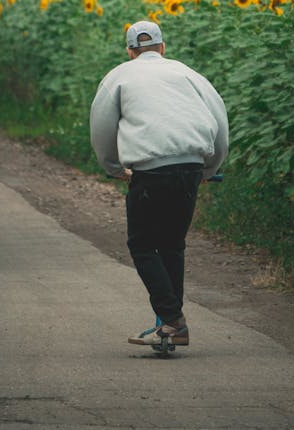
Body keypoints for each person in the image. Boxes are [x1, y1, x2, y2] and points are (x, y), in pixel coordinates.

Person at [90, 20, 228, 348]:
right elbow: (220, 122)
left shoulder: (119, 76)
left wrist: (113, 167)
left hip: (150, 171)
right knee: (171, 244)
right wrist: (209, 169)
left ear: (130, 51)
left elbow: (101, 128)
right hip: (191, 166)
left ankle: (171, 320)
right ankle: (172, 325)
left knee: (141, 244)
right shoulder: (190, 75)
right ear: (163, 48)